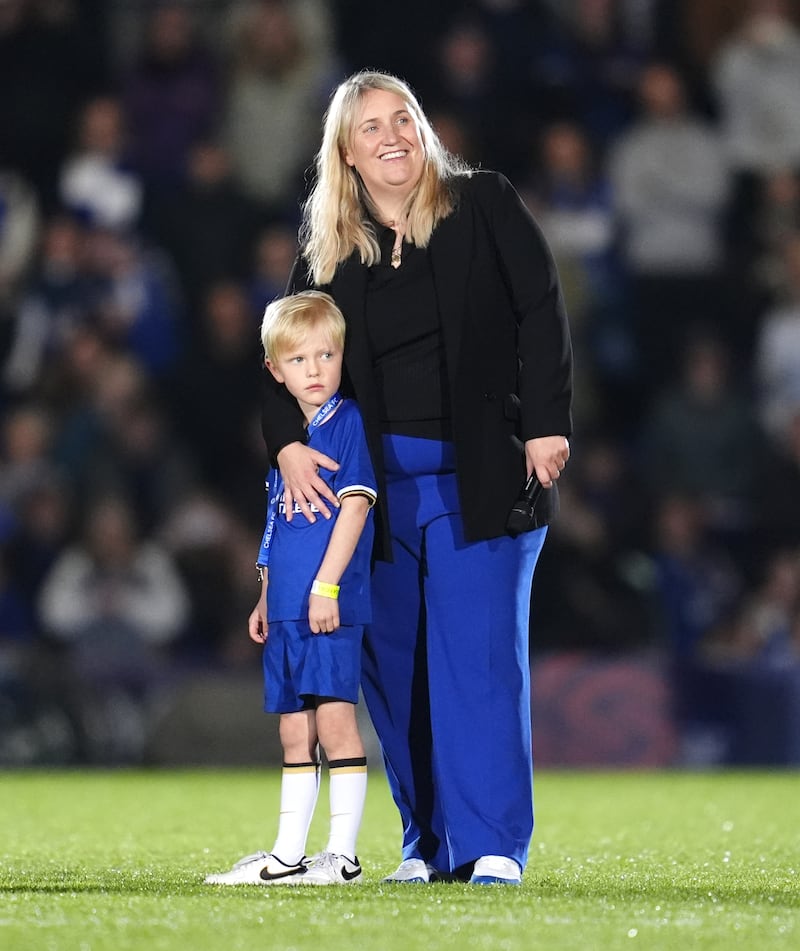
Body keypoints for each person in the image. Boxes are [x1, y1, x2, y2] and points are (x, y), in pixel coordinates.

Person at [260, 71, 573, 886]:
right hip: (371, 494)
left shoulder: (484, 203)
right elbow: (282, 355)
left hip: (479, 474)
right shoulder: (329, 244)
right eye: (370, 127)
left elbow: (542, 308)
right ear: (346, 151)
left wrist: (545, 422)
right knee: (394, 674)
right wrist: (287, 443)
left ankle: (492, 844)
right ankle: (425, 845)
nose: (392, 135)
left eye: (404, 118)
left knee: (477, 665)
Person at [206, 290, 377, 887]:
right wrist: (264, 590)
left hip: (325, 602)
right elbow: (279, 518)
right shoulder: (290, 441)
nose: (315, 370)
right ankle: (287, 855)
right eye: (299, 360)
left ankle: (343, 856)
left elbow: (355, 508)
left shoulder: (347, 422)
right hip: (284, 603)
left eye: (326, 356)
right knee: (292, 729)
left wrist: (326, 586)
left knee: (334, 722)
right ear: (275, 371)